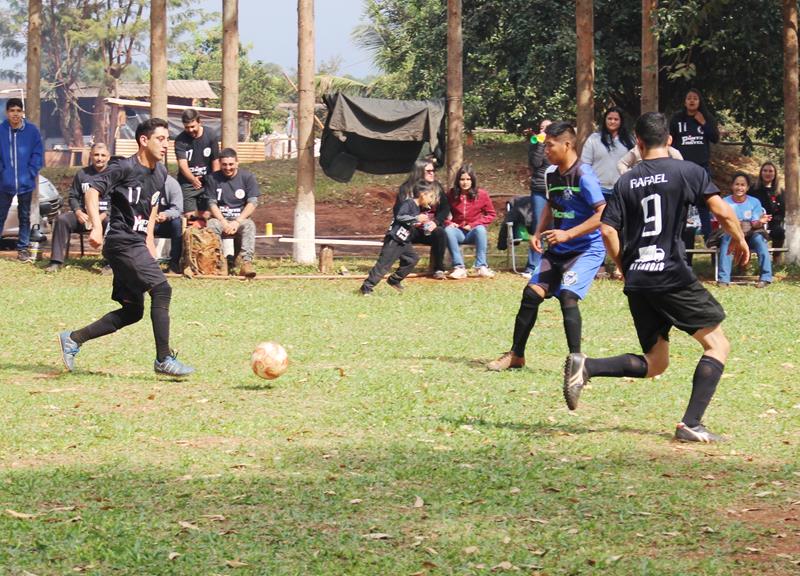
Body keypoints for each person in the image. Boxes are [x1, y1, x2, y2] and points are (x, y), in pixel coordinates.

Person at [562, 111, 749, 443]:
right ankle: (691, 423)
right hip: (671, 274)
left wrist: (623, 265)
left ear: (637, 142)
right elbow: (721, 210)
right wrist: (739, 238)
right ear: (670, 140)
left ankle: (586, 366)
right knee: (717, 344)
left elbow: (607, 230)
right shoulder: (687, 171)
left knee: (656, 362)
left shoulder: (625, 181)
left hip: (639, 279)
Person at [57, 118, 194, 377]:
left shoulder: (161, 172)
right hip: (121, 242)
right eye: (161, 139)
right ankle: (163, 359)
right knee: (162, 289)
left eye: (168, 139)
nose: (166, 145)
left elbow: (153, 205)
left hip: (136, 243)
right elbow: (91, 192)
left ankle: (73, 338)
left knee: (133, 311)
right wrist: (97, 228)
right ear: (144, 140)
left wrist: (150, 239)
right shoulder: (123, 167)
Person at [488, 121, 606, 371]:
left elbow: (602, 214)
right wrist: (538, 232)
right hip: (558, 250)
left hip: (585, 249)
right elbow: (552, 205)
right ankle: (516, 355)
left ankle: (577, 362)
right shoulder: (551, 174)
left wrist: (568, 234)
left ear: (567, 144)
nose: (546, 151)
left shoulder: (584, 176)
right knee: (531, 294)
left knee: (568, 296)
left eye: (550, 146)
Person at [360, 181, 436, 295]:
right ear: (422, 194)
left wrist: (424, 226)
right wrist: (416, 218)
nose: (431, 200)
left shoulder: (417, 208)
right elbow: (400, 216)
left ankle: (394, 280)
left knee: (412, 259)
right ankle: (366, 287)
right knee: (384, 264)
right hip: (394, 239)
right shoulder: (408, 203)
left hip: (404, 240)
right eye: (430, 196)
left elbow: (411, 222)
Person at [45, 143, 111, 273]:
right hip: (83, 217)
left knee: (114, 224)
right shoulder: (82, 174)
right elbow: (73, 196)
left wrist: (101, 216)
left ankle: (110, 263)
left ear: (108, 157)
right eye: (96, 155)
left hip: (104, 216)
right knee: (62, 220)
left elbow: (118, 202)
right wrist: (78, 211)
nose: (99, 158)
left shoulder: (114, 175)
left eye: (103, 155)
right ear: (91, 156)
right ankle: (56, 262)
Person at [669, 89, 720, 241]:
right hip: (681, 168)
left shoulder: (706, 117)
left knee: (704, 204)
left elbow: (715, 137)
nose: (692, 101)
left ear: (699, 101)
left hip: (701, 168)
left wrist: (703, 123)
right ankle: (677, 239)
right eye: (689, 98)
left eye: (695, 98)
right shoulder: (676, 119)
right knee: (680, 205)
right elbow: (670, 141)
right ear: (684, 102)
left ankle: (709, 239)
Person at [204, 148, 260, 278]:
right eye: (224, 164)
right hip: (220, 218)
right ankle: (219, 262)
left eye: (231, 164)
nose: (227, 168)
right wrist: (223, 221)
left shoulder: (247, 177)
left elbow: (252, 203)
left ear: (237, 163)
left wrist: (237, 221)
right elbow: (211, 203)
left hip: (239, 218)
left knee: (249, 225)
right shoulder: (212, 178)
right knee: (211, 225)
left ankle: (246, 263)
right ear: (220, 164)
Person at [0, 98, 43, 262]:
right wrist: (2, 173)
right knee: (0, 215)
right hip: (5, 183)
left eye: (18, 110)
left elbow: (37, 153)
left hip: (25, 183)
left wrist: (31, 171)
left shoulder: (32, 131)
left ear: (22, 112)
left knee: (24, 217)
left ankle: (23, 249)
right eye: (12, 111)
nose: (15, 114)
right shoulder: (1, 130)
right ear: (7, 113)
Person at [396, 159, 450, 279]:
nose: (432, 173)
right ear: (419, 172)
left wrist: (435, 222)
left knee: (440, 232)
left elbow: (445, 208)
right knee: (401, 233)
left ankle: (439, 268)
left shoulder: (437, 187)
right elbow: (398, 212)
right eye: (428, 171)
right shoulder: (406, 189)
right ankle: (405, 266)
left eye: (433, 170)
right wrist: (413, 220)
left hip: (429, 229)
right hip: (412, 228)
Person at [717, 172, 772, 288]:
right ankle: (723, 279)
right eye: (737, 184)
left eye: (743, 185)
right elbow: (724, 223)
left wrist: (760, 222)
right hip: (732, 234)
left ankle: (766, 278)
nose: (739, 187)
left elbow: (755, 224)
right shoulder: (724, 202)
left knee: (760, 241)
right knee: (726, 239)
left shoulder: (754, 202)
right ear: (732, 186)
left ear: (747, 188)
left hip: (751, 233)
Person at [445, 163, 497, 279]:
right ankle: (459, 267)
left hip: (474, 231)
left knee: (481, 229)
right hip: (458, 231)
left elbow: (491, 214)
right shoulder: (451, 194)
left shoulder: (481, 194)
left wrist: (473, 224)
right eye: (462, 179)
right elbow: (441, 213)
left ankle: (481, 266)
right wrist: (449, 223)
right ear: (458, 180)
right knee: (448, 231)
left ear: (472, 180)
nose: (465, 182)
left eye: (468, 179)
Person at [174, 108, 220, 218]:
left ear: (199, 122)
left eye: (192, 126)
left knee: (208, 214)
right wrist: (193, 179)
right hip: (188, 183)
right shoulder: (180, 140)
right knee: (190, 216)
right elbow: (182, 164)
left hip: (207, 181)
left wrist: (214, 181)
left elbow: (215, 160)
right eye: (187, 127)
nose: (190, 130)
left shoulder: (211, 135)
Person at [523, 118, 552, 278]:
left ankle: (555, 263)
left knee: (558, 225)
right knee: (537, 225)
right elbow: (535, 163)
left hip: (555, 189)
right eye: (541, 127)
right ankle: (532, 265)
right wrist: (540, 144)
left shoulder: (559, 145)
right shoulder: (536, 144)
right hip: (539, 189)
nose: (543, 130)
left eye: (547, 127)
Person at [749, 161, 785, 264]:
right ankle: (745, 262)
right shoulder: (753, 189)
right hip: (755, 222)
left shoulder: (780, 191)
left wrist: (771, 220)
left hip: (773, 222)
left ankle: (776, 259)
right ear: (761, 173)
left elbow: (781, 212)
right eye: (765, 171)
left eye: (770, 171)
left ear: (775, 174)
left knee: (780, 232)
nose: (767, 173)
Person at [153, 175, 184, 275]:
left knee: (177, 223)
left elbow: (178, 209)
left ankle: (174, 263)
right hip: (146, 220)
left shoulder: (171, 184)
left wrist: (166, 214)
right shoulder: (143, 181)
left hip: (165, 223)